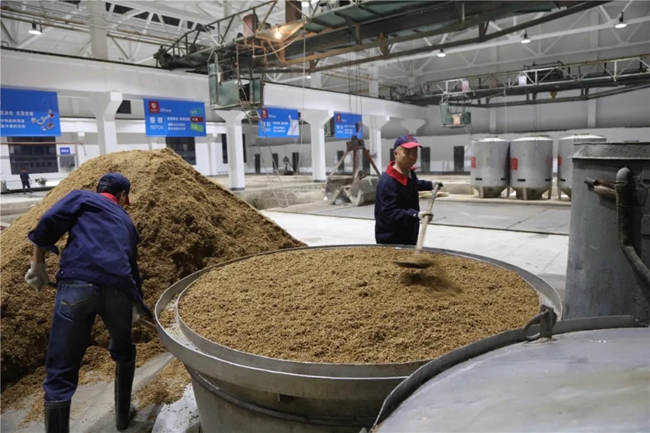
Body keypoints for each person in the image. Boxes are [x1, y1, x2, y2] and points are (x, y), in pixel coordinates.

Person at [24, 173, 152, 433]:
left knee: (60, 370)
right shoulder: (127, 222)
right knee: (124, 350)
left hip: (76, 285)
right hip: (118, 290)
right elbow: (131, 266)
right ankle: (122, 417)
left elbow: (48, 221)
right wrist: (135, 303)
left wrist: (38, 263)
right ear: (122, 195)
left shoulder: (82, 197)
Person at [375, 135, 434, 245]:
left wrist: (431, 185)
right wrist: (416, 214)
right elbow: (390, 213)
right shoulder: (388, 183)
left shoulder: (408, 172)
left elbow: (413, 183)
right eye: (407, 152)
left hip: (409, 233)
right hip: (392, 239)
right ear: (395, 154)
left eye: (415, 152)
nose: (412, 157)